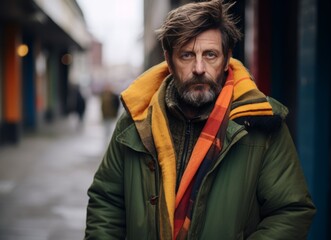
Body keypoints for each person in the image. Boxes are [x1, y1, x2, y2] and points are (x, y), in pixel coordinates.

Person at [85, 1, 316, 239]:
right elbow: (106, 202)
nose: (198, 68)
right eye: (186, 55)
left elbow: (291, 210)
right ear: (169, 60)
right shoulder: (136, 122)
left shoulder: (260, 124)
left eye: (210, 55)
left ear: (227, 59)